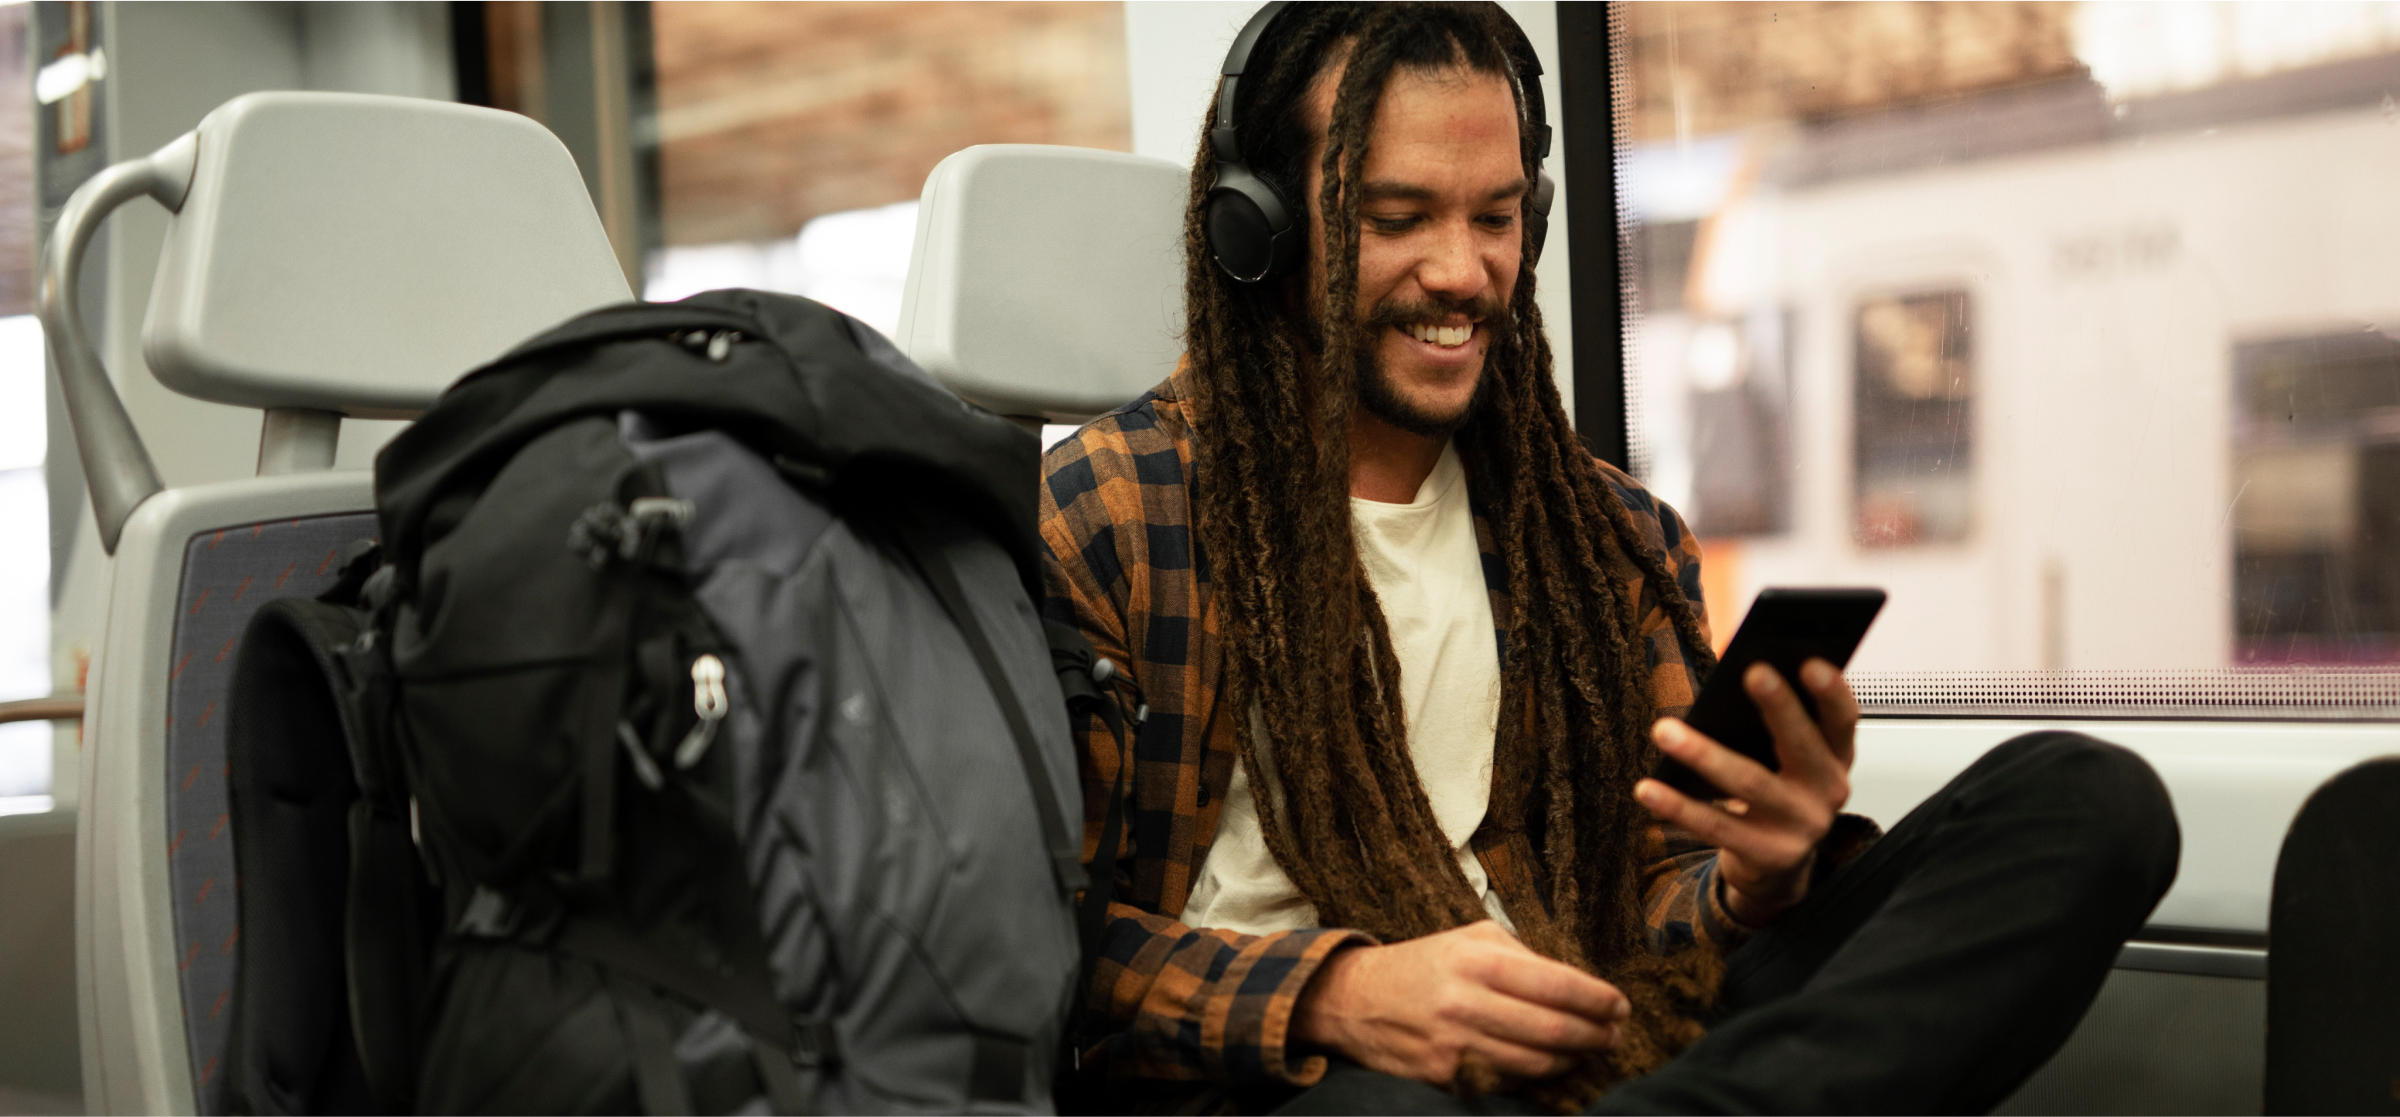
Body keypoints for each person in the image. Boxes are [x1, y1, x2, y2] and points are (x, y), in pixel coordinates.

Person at [1036, 4, 2180, 1113]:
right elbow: (1040, 944)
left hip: (1601, 1045)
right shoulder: (1106, 518)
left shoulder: (1602, 537)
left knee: (2087, 803)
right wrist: (1337, 994)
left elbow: (1655, 913)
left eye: (1495, 218)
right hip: (1311, 1084)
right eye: (1398, 217)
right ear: (1261, 229)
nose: (1462, 271)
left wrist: (1751, 881)